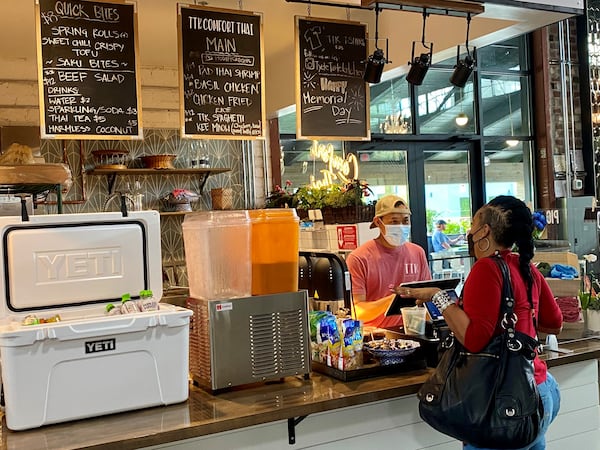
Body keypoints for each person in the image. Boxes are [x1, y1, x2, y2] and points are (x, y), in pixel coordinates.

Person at [394, 195, 563, 450]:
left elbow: (474, 339)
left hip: (502, 403)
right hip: (540, 389)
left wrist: (436, 296)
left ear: (484, 230)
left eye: (473, 223)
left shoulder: (486, 269)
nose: (468, 231)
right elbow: (553, 323)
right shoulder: (524, 265)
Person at [346, 194, 431, 328]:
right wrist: (393, 300)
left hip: (411, 331)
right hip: (376, 337)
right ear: (378, 222)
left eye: (405, 220)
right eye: (394, 222)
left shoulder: (417, 252)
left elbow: (427, 298)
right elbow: (357, 312)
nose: (401, 226)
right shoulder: (359, 258)